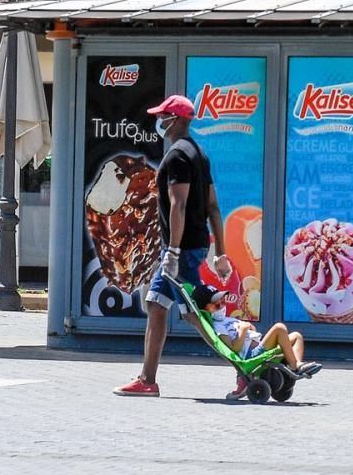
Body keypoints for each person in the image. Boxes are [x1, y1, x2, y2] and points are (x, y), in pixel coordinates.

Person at [113, 95, 231, 397]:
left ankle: (241, 366)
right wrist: (220, 253)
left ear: (176, 119)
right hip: (192, 245)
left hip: (181, 249)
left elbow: (178, 205)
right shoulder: (199, 154)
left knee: (195, 312)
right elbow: (214, 208)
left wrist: (173, 253)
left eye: (162, 116)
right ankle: (147, 379)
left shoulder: (178, 156)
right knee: (158, 305)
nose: (158, 121)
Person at [190, 284, 323, 400]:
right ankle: (295, 367)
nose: (222, 306)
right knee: (279, 328)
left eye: (223, 302)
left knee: (296, 336)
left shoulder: (226, 320)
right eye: (217, 305)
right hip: (252, 354)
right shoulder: (218, 327)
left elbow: (249, 331)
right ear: (205, 310)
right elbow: (234, 349)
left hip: (258, 346)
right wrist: (242, 330)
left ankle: (297, 364)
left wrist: (247, 327)